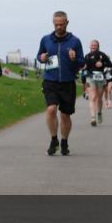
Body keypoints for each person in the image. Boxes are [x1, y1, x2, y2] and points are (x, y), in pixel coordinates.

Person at [36, 11, 85, 155]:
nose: (58, 27)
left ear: (67, 23)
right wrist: (42, 57)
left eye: (61, 24)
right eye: (56, 24)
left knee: (65, 115)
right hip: (50, 81)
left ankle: (64, 142)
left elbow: (82, 63)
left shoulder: (75, 41)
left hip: (68, 82)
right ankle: (53, 140)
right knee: (51, 109)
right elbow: (39, 55)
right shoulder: (46, 39)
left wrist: (75, 58)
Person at [83, 41, 112, 126]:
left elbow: (110, 64)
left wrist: (102, 63)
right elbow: (84, 66)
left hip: (101, 78)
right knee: (92, 97)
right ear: (90, 46)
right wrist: (83, 68)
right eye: (92, 45)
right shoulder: (87, 56)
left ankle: (99, 113)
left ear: (98, 46)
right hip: (90, 78)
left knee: (99, 98)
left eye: (95, 45)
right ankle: (93, 118)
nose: (93, 46)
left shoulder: (102, 55)